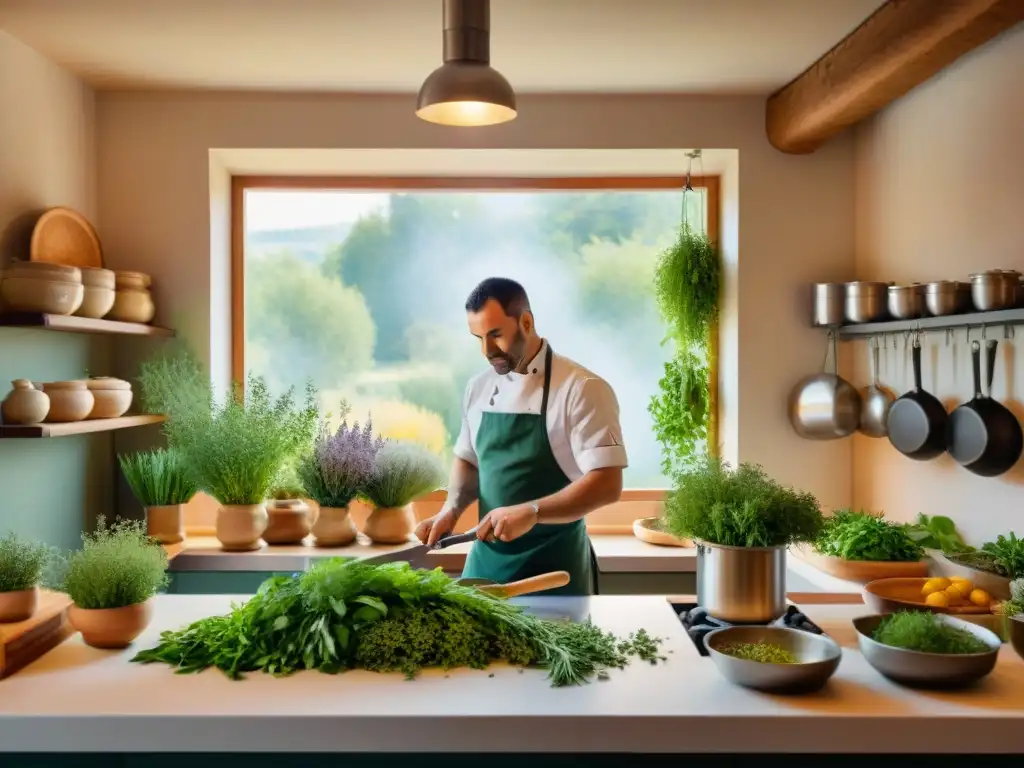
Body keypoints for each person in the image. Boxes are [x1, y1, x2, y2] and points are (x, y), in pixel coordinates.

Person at [414, 277, 627, 596]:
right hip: (483, 574)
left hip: (554, 575)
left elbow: (607, 483)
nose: (487, 350)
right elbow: (469, 459)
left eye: (495, 335)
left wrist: (533, 511)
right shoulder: (478, 387)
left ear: (526, 322)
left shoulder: (582, 389)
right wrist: (452, 508)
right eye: (478, 338)